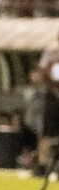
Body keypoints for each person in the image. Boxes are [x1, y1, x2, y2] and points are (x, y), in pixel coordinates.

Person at [36, 31, 59, 176]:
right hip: (52, 97)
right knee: (47, 133)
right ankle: (42, 165)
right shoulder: (51, 53)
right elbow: (44, 73)